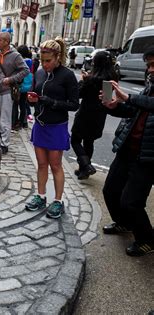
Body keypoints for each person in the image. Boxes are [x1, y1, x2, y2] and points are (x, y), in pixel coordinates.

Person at [100, 47, 154, 256]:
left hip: (147, 157)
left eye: (153, 65)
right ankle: (124, 224)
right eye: (148, 65)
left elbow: (145, 104)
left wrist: (128, 98)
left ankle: (146, 239)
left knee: (131, 202)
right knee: (110, 191)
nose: (149, 70)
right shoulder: (150, 87)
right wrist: (113, 106)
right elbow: (134, 110)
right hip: (128, 150)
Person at [25, 38, 79, 219]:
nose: (45, 64)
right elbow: (34, 93)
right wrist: (31, 99)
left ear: (58, 57)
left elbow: (73, 105)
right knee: (41, 164)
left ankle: (58, 200)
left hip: (56, 126)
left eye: (48, 60)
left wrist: (52, 102)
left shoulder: (67, 75)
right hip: (40, 124)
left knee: (55, 165)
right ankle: (40, 196)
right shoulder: (39, 72)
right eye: (42, 60)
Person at [71, 51, 117, 180]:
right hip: (99, 115)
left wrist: (83, 81)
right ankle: (83, 170)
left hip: (85, 113)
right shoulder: (110, 78)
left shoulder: (91, 79)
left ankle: (86, 166)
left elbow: (78, 94)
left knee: (75, 140)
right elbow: (106, 98)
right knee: (89, 141)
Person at [0, 32, 29, 154]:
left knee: (4, 119)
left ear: (6, 42)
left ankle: (4, 144)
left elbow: (25, 70)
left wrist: (11, 79)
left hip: (6, 92)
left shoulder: (15, 56)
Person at [13, 44, 33, 130]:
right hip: (27, 86)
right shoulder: (31, 61)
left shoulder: (20, 61)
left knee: (15, 104)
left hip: (19, 85)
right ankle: (23, 122)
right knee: (23, 105)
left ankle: (15, 122)